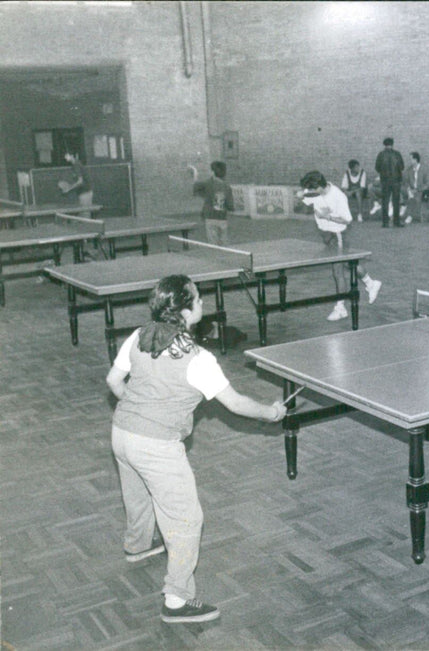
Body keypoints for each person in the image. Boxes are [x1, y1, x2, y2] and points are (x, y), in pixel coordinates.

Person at [105, 274, 287, 624]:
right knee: (187, 519)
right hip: (156, 446)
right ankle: (177, 599)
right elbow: (234, 404)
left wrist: (140, 411)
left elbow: (114, 381)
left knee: (139, 495)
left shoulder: (138, 335)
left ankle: (138, 545)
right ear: (185, 309)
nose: (203, 302)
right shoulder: (198, 358)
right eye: (199, 297)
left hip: (121, 433)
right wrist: (270, 413)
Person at [297, 171, 382, 321]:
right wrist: (300, 196)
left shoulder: (337, 196)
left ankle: (340, 307)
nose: (309, 191)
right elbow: (305, 206)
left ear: (318, 187)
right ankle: (371, 283)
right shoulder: (314, 192)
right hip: (325, 235)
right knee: (348, 265)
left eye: (311, 189)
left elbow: (348, 220)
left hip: (338, 235)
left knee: (337, 272)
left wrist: (327, 216)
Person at [190, 161, 234, 246]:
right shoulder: (227, 187)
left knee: (213, 243)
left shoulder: (208, 184)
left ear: (213, 172)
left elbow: (195, 186)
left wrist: (195, 174)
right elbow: (230, 206)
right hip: (223, 218)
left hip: (210, 218)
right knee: (224, 243)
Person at [374, 137, 405, 227]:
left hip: (385, 181)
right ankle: (396, 221)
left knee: (385, 202)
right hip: (396, 181)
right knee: (396, 202)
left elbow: (377, 167)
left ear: (384, 145)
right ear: (392, 144)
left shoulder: (381, 155)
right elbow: (402, 167)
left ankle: (385, 222)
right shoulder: (397, 154)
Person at [402, 152, 429, 224]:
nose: (410, 161)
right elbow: (406, 181)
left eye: (411, 159)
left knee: (414, 199)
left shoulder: (424, 169)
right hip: (411, 190)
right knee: (400, 191)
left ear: (415, 159)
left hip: (421, 191)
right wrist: (409, 188)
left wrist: (417, 190)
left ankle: (410, 216)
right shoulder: (409, 170)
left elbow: (428, 183)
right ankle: (402, 206)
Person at [61, 152, 94, 218]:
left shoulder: (76, 165)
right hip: (83, 192)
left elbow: (80, 182)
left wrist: (69, 188)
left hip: (85, 193)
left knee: (85, 216)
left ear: (72, 155)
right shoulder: (75, 165)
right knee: (83, 215)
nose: (65, 157)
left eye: (67, 155)